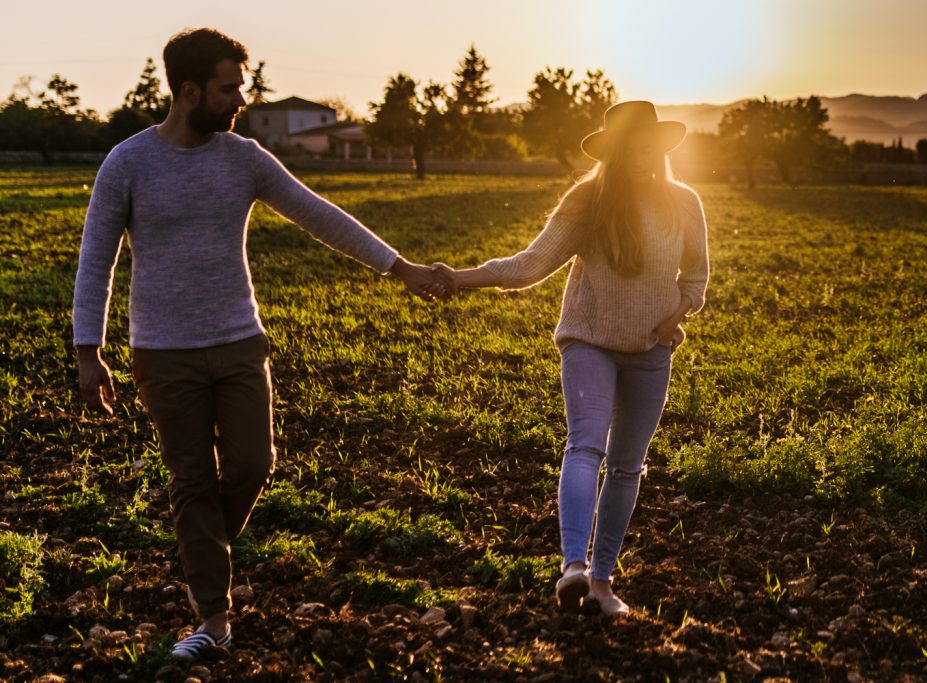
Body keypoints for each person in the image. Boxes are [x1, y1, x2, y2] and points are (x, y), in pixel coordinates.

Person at [72, 28, 451, 660]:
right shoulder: (128, 163)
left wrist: (400, 267)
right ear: (189, 91)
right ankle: (214, 619)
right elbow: (95, 263)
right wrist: (90, 352)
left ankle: (203, 553)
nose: (240, 99)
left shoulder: (243, 158)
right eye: (229, 88)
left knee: (252, 465)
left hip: (240, 342)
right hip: (164, 354)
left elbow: (319, 214)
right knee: (192, 480)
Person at [436, 101, 709, 615]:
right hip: (589, 341)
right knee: (586, 446)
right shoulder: (589, 201)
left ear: (660, 147)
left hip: (651, 351)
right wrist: (458, 277)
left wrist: (674, 319)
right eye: (630, 147)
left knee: (628, 469)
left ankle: (603, 582)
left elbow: (696, 280)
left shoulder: (684, 203)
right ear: (615, 151)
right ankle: (573, 568)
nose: (641, 155)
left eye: (649, 145)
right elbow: (531, 264)